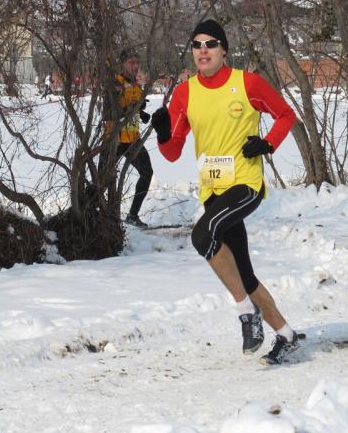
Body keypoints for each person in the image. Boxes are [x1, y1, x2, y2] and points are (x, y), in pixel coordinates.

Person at [151, 19, 299, 365]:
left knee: (203, 235)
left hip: (245, 184)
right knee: (243, 274)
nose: (202, 50)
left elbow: (285, 114)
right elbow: (173, 152)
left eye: (210, 44)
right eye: (196, 44)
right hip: (213, 190)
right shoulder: (186, 93)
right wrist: (161, 135)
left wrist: (266, 143)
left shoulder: (247, 83)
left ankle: (247, 315)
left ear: (224, 50)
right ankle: (287, 335)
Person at [100, 48, 152, 228]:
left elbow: (134, 107)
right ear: (123, 64)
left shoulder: (136, 85)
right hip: (113, 139)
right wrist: (131, 111)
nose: (136, 66)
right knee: (102, 181)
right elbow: (108, 112)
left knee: (147, 173)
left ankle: (132, 215)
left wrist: (141, 113)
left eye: (137, 62)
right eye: (131, 62)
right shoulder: (114, 83)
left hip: (132, 139)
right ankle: (97, 216)